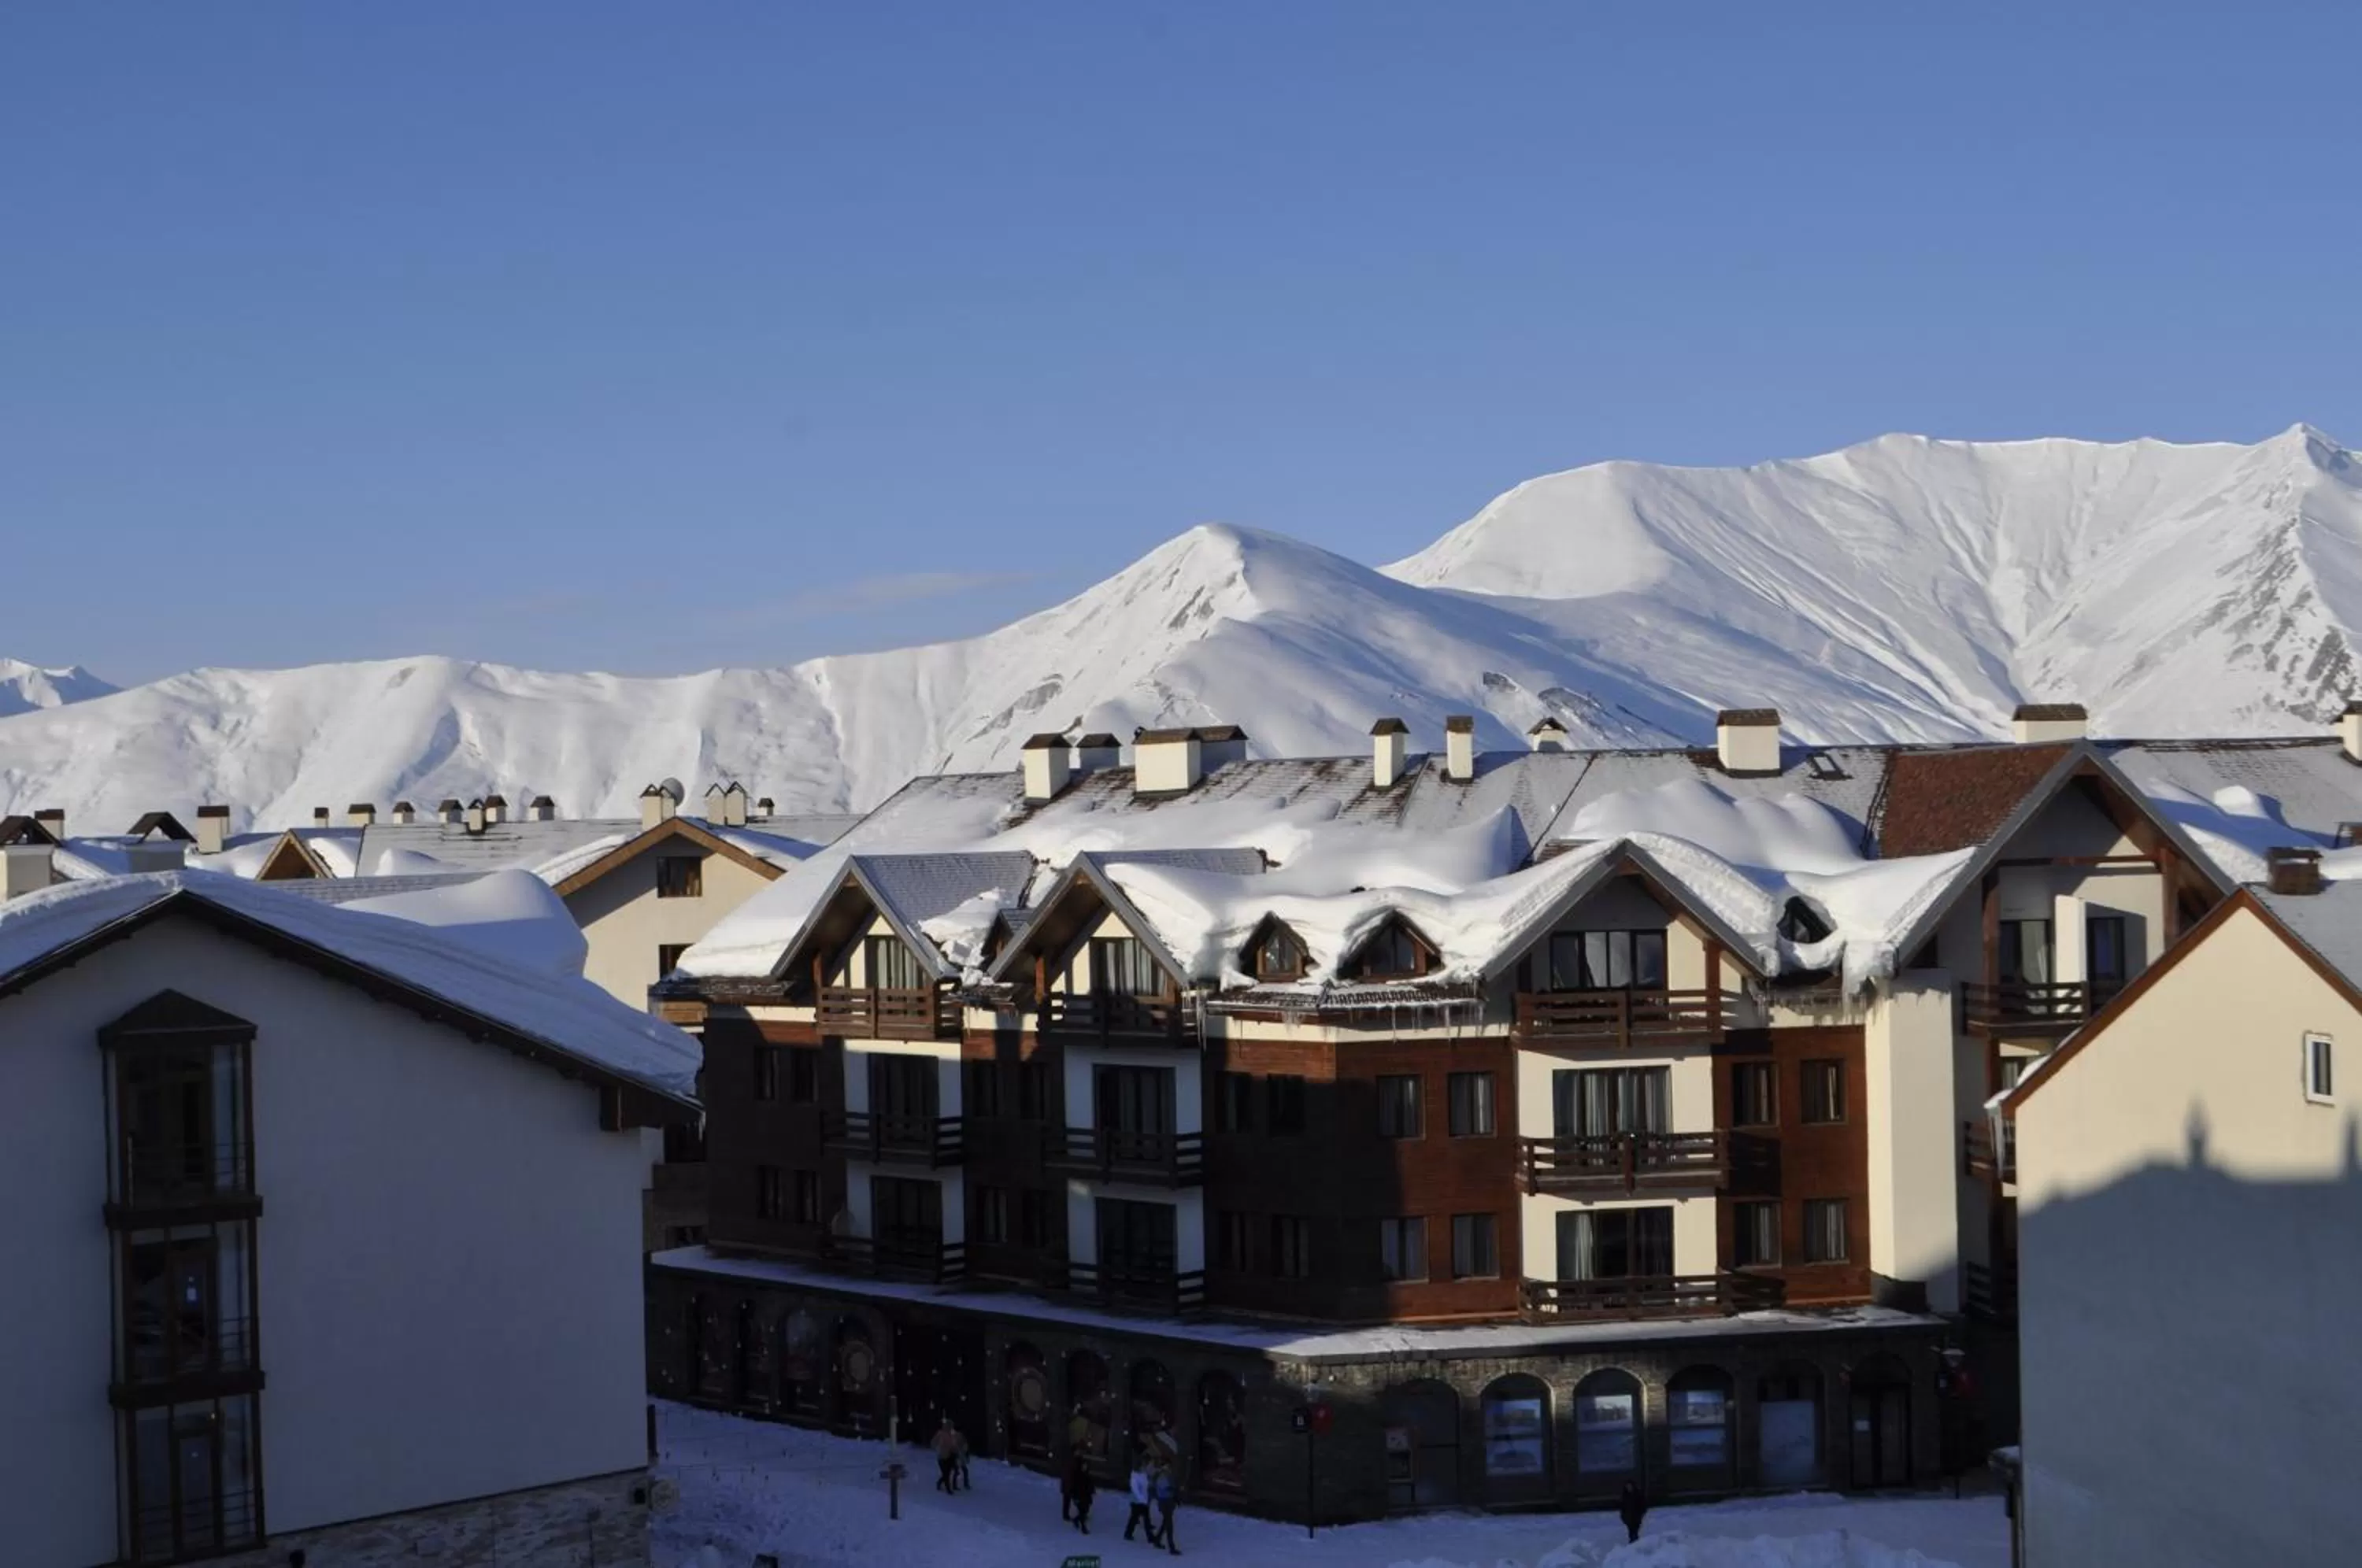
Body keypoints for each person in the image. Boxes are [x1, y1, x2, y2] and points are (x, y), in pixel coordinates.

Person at [1151, 1459, 1181, 1555]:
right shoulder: (1162, 1476)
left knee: (1166, 1522)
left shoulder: (1166, 1475)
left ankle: (1157, 1539)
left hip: (1167, 1501)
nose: (1168, 1468)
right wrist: (1173, 1490)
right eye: (1167, 1466)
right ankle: (1171, 1547)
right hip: (1165, 1502)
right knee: (1169, 1524)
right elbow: (1165, 1488)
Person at [1123, 1458, 1157, 1542]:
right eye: (1143, 1466)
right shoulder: (1135, 1476)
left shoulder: (1143, 1474)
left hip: (1143, 1500)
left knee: (1144, 1518)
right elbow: (1136, 1490)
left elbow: (1146, 1485)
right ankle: (1129, 1533)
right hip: (1137, 1501)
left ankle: (1149, 1536)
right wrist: (1142, 1499)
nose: (1144, 1467)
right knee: (1135, 1518)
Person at [931, 1418, 960, 1495]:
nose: (950, 1427)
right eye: (949, 1425)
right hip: (942, 1457)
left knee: (947, 1473)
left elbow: (954, 1445)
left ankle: (941, 1483)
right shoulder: (940, 1433)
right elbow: (934, 1442)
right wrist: (936, 1447)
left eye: (951, 1426)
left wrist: (956, 1450)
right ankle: (948, 1488)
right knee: (946, 1473)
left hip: (950, 1456)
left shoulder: (952, 1435)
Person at [1070, 1460, 1098, 1533]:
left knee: (1085, 1511)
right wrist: (1075, 1496)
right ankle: (1083, 1528)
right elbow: (1074, 1486)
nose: (1084, 1468)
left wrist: (1092, 1490)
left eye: (1086, 1466)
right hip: (1080, 1496)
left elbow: (1090, 1484)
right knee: (1082, 1511)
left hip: (1086, 1496)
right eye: (1083, 1466)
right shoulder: (1078, 1475)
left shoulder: (1087, 1475)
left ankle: (1076, 1520)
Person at [1618, 1478, 1648, 1544]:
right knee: (1631, 1531)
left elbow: (1643, 1505)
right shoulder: (1625, 1496)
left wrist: (1640, 1514)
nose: (1629, 1488)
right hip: (1628, 1517)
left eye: (1630, 1486)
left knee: (1634, 1531)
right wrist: (1623, 1516)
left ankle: (1634, 1543)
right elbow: (1622, 1507)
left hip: (1636, 1517)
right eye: (1627, 1486)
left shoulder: (1638, 1495)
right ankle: (1634, 1543)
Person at [952, 1422, 972, 1491]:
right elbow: (964, 1446)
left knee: (957, 1470)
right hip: (960, 1455)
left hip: (957, 1455)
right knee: (963, 1470)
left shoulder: (954, 1436)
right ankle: (964, 1484)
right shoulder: (960, 1436)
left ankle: (955, 1485)